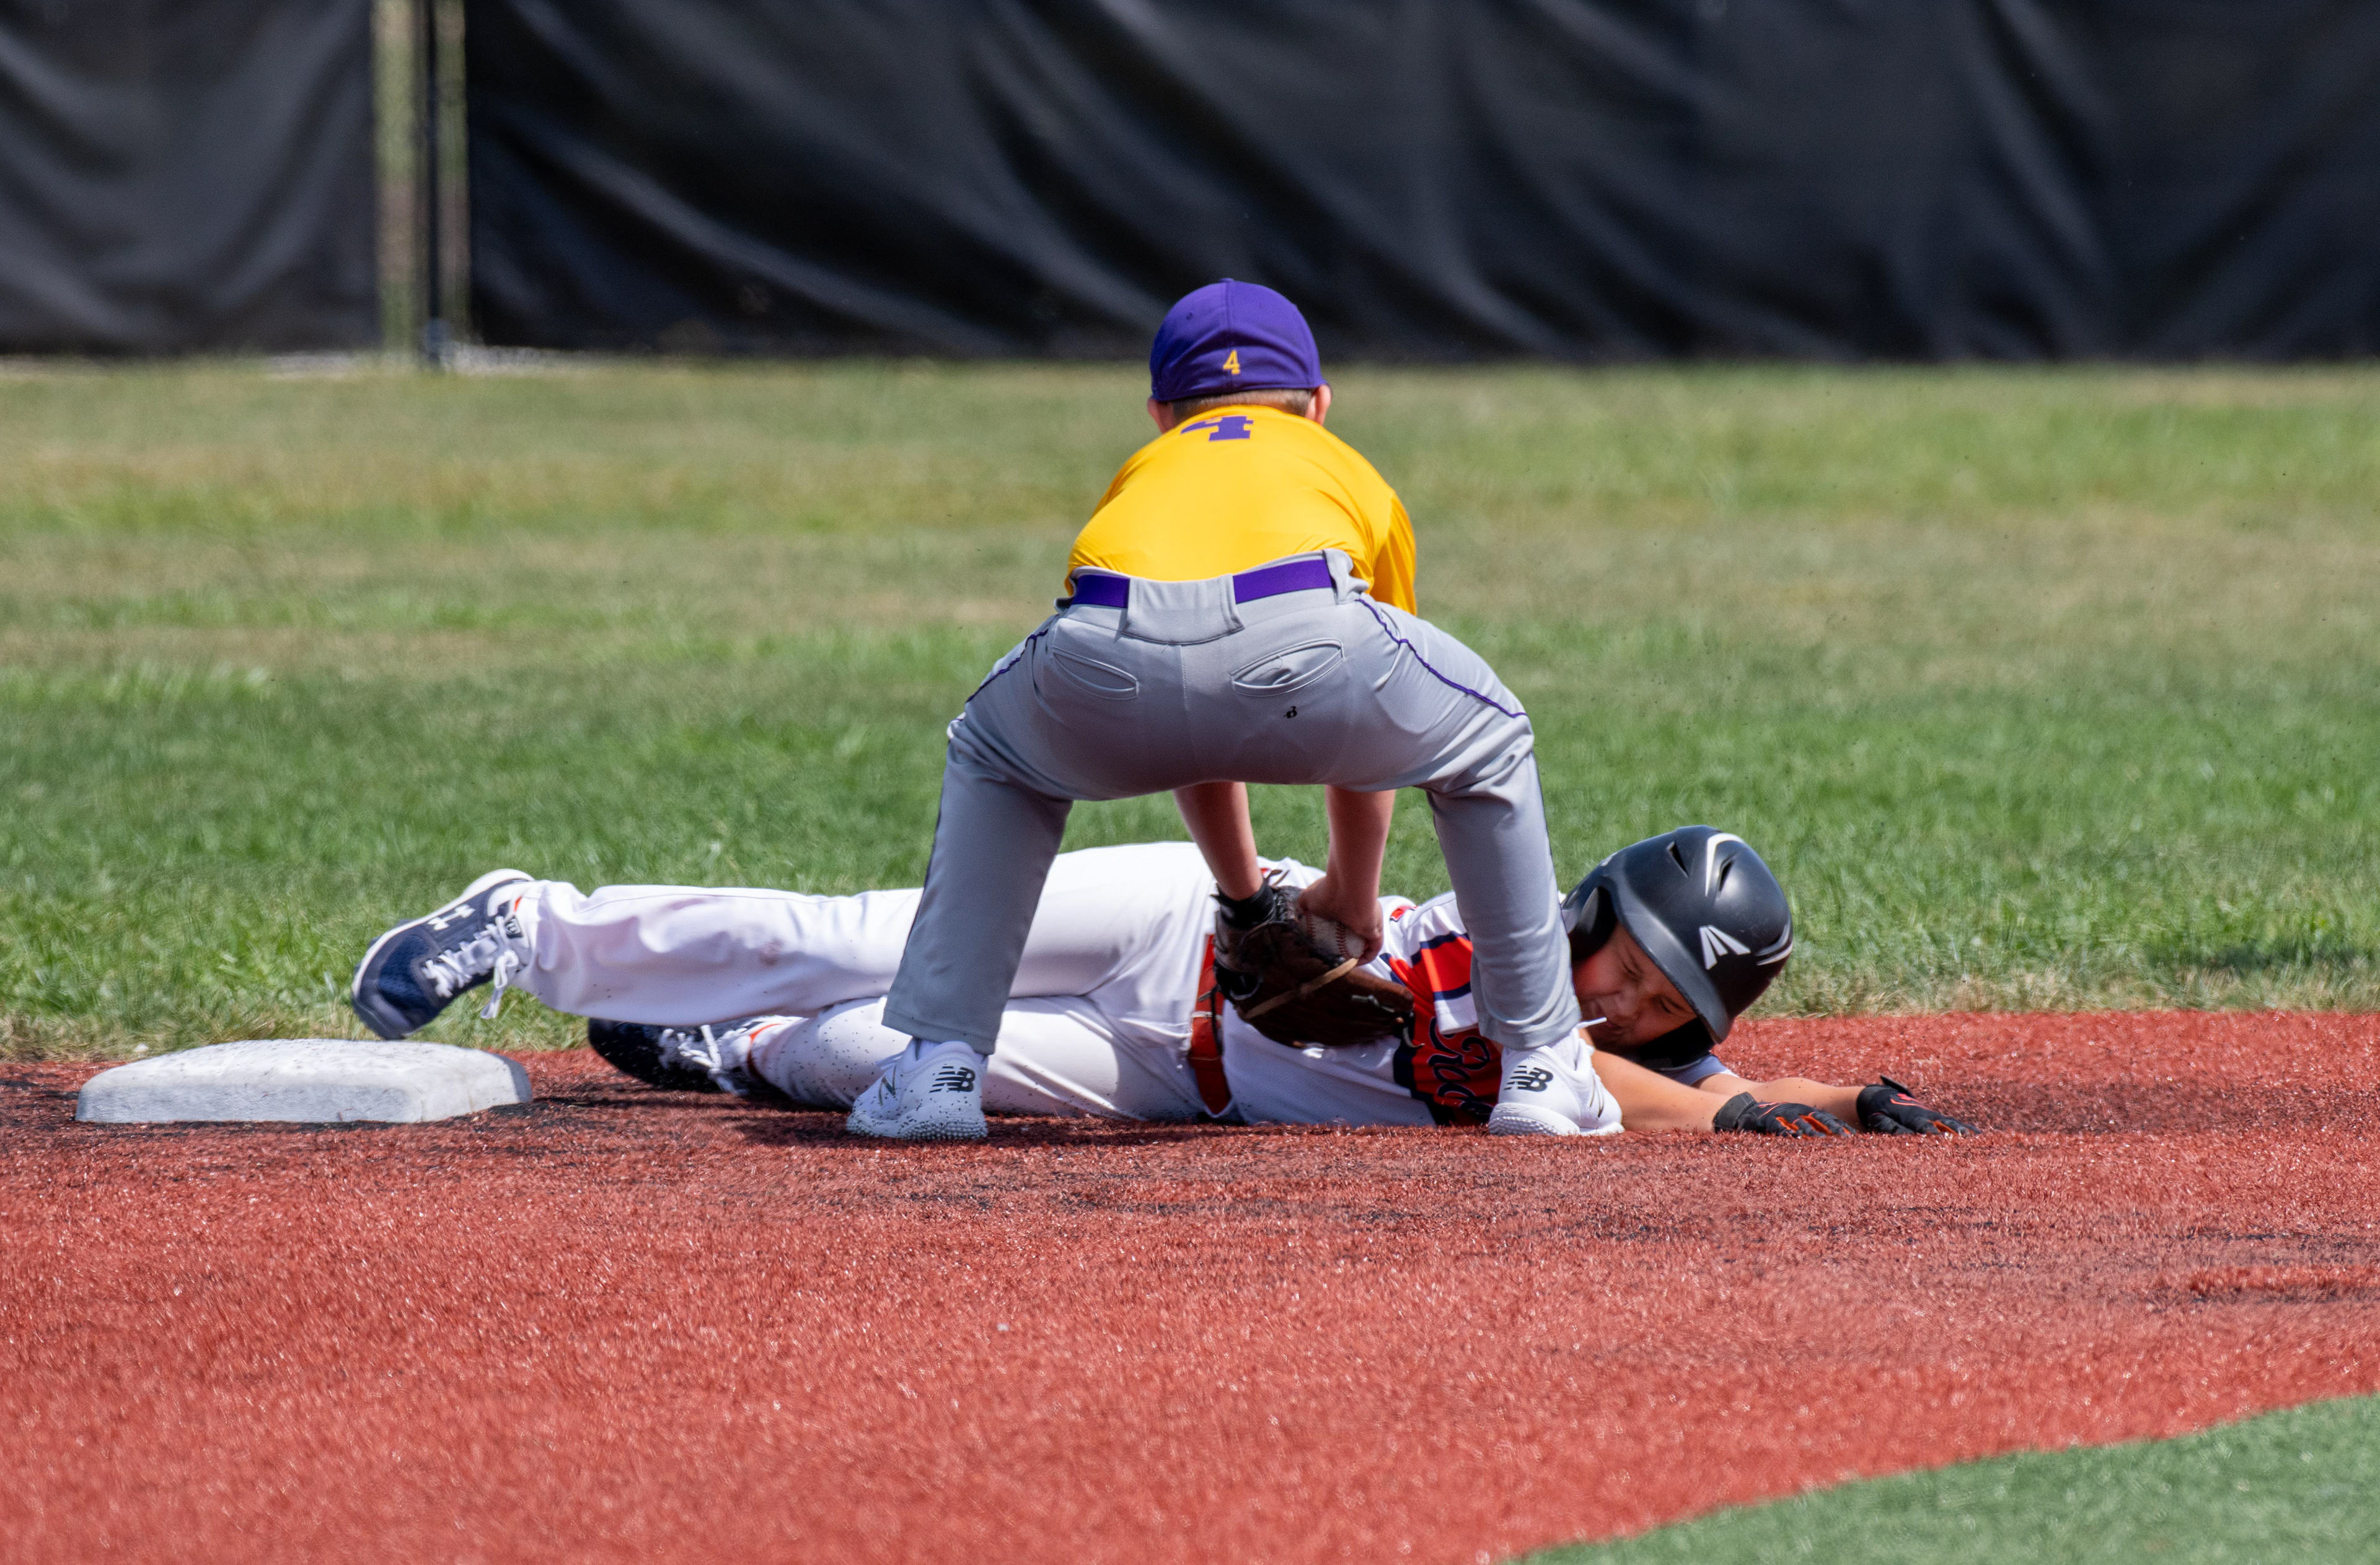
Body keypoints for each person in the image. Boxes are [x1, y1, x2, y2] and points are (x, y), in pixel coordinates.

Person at [853, 278, 1603, 1141]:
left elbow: (1184, 700)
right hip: (1311, 629)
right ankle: (1540, 1062)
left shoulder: (1142, 475)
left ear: (1159, 414)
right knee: (1487, 740)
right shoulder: (1346, 467)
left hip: (1106, 636)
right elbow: (1382, 727)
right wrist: (1352, 895)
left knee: (995, 754)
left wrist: (1246, 897)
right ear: (1319, 404)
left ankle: (940, 1066)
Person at [346, 826, 1978, 1137]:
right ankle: (530, 924)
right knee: (869, 933)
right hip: (1181, 932)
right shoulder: (1521, 947)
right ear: (1594, 908)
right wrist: (1758, 1113)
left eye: (1670, 1001)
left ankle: (732, 1048)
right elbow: (1655, 1097)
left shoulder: (1643, 1062)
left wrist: (1839, 1097)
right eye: (1632, 959)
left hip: (1169, 1078)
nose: (1630, 999)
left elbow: (1700, 1090)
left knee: (863, 1058)